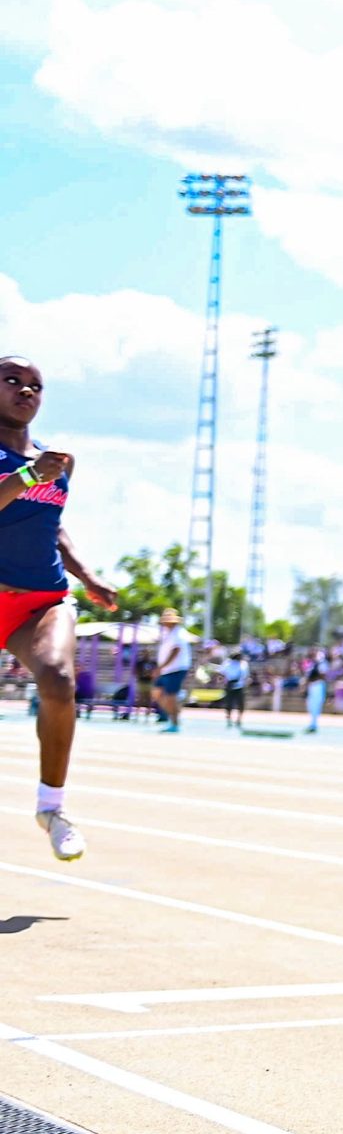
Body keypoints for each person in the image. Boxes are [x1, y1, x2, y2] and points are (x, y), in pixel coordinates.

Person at [0, 357, 114, 859]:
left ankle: (52, 806)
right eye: (13, 382)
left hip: (40, 600)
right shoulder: (35, 467)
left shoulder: (56, 461)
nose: (26, 391)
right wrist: (26, 475)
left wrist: (87, 575)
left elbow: (52, 524)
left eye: (36, 386)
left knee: (58, 680)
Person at [151, 608, 193, 733]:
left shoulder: (179, 634)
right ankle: (174, 714)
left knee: (170, 696)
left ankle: (174, 722)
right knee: (157, 694)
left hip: (176, 669)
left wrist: (161, 667)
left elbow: (175, 651)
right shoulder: (167, 633)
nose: (164, 623)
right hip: (167, 670)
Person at [218, 644, 248, 728]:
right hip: (229, 685)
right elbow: (222, 673)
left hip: (239, 686)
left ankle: (239, 719)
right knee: (228, 703)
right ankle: (229, 718)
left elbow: (245, 676)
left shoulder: (243, 664)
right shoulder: (227, 663)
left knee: (240, 704)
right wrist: (222, 680)